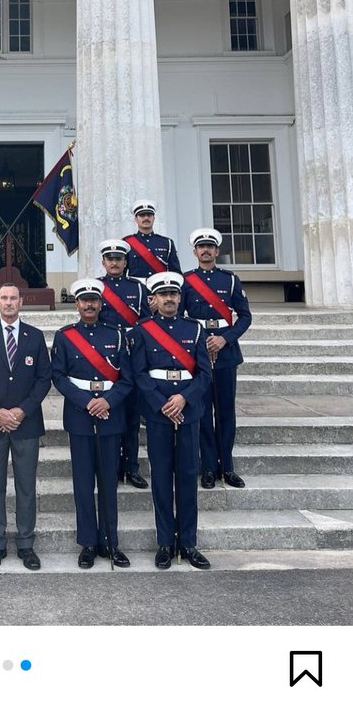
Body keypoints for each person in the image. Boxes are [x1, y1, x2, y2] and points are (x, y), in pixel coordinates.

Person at [131, 271, 212, 570]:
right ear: (154, 298)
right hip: (158, 412)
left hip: (188, 412)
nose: (169, 298)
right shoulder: (143, 330)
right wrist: (162, 402)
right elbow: (139, 373)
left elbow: (205, 373)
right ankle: (165, 542)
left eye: (173, 294)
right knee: (162, 478)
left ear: (180, 297)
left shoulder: (195, 328)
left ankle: (188, 543)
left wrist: (184, 399)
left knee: (188, 476)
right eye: (163, 294)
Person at [0, 283, 51, 571]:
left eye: (13, 298)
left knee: (26, 487)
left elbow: (44, 379)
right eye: (4, 298)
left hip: (26, 424)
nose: (8, 302)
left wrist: (21, 411)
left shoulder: (36, 336)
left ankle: (26, 544)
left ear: (21, 302)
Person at [51, 278, 132, 569]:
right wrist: (87, 402)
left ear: (100, 304)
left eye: (94, 301)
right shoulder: (65, 336)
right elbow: (58, 376)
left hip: (110, 415)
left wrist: (107, 401)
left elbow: (127, 379)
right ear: (77, 304)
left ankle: (111, 541)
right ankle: (87, 543)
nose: (89, 305)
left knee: (109, 483)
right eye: (84, 301)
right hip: (80, 415)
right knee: (83, 484)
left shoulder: (118, 335)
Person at [180, 228, 252, 489]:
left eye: (210, 247)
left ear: (217, 251)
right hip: (198, 354)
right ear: (195, 252)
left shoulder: (230, 280)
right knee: (201, 413)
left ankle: (227, 467)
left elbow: (245, 316)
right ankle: (208, 467)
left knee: (225, 412)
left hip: (225, 353)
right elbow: (180, 318)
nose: (206, 250)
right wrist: (199, 342)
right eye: (201, 247)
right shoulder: (186, 281)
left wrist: (225, 339)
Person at [98, 238, 151, 489]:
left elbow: (147, 323)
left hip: (131, 358)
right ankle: (112, 467)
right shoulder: (96, 288)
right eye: (110, 259)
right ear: (104, 262)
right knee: (111, 416)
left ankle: (132, 467)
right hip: (105, 360)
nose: (114, 263)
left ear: (125, 261)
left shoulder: (139, 288)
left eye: (119, 259)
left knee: (131, 417)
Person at [123, 198, 181, 282]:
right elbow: (122, 272)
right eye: (142, 215)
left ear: (154, 218)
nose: (146, 218)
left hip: (161, 290)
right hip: (137, 289)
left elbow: (175, 273)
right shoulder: (127, 243)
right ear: (136, 219)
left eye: (149, 215)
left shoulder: (167, 243)